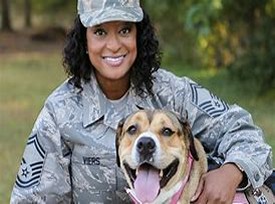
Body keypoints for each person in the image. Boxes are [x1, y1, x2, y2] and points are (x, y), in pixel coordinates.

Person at [10, 0, 273, 203]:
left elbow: (244, 132)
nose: (113, 45)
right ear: (84, 40)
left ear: (139, 35)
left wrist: (232, 171)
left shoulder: (172, 92)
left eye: (125, 30)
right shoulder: (60, 111)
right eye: (100, 32)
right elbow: (32, 198)